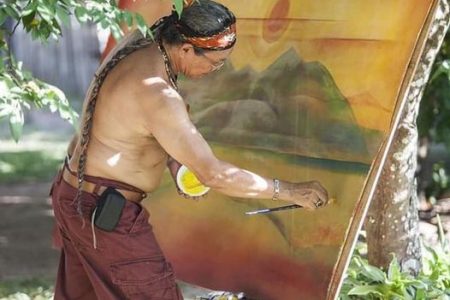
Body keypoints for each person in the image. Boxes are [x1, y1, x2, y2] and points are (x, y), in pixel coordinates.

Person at [49, 0, 329, 299]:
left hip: (74, 196)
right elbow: (215, 174)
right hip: (104, 214)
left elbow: (129, 123)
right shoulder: (158, 94)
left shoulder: (137, 44)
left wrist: (172, 158)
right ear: (185, 49)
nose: (216, 69)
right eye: (215, 62)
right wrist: (289, 190)